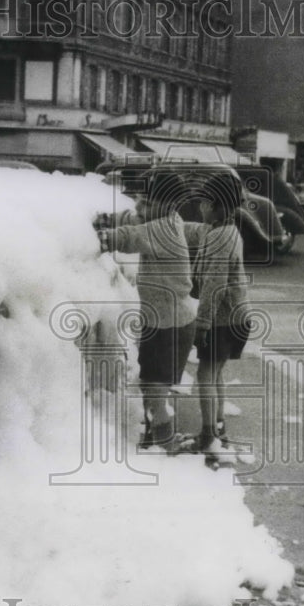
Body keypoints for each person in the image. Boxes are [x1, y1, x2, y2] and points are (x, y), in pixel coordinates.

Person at [97, 170, 196, 449]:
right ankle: (156, 436)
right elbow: (132, 219)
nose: (139, 207)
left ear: (168, 206)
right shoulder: (160, 217)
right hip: (163, 321)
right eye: (139, 200)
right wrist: (104, 218)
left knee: (154, 389)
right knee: (150, 384)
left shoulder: (164, 230)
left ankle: (166, 445)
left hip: (172, 326)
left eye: (147, 202)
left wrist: (93, 237)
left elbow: (129, 235)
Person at [184, 170, 250, 455]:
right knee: (215, 373)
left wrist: (202, 324)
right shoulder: (224, 230)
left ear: (217, 206)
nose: (200, 207)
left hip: (221, 321)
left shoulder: (220, 238)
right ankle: (217, 427)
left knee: (205, 375)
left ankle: (208, 436)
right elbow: (189, 230)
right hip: (235, 318)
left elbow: (214, 284)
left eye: (204, 203)